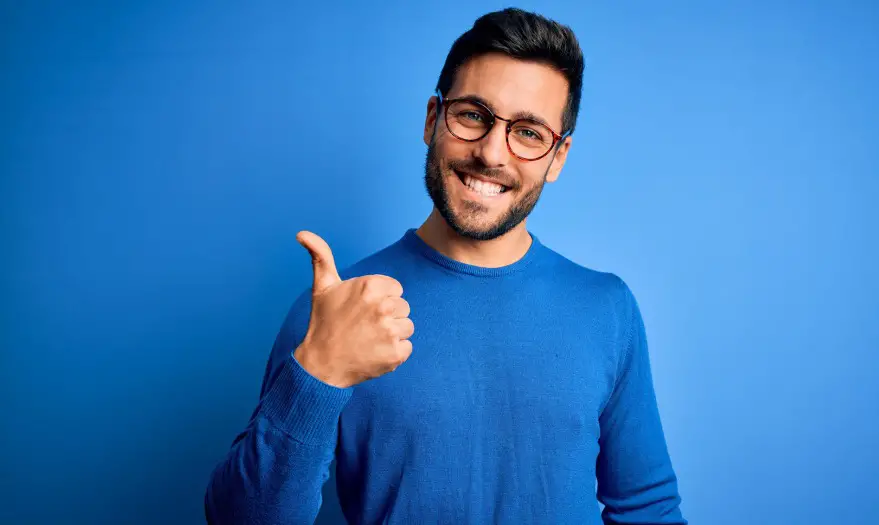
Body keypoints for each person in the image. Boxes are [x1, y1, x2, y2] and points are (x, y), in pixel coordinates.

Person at [205, 7, 686, 524]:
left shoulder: (607, 310)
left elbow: (648, 512)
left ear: (558, 157)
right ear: (433, 119)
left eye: (527, 132)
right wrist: (317, 373)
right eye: (474, 115)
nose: (492, 154)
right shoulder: (339, 309)